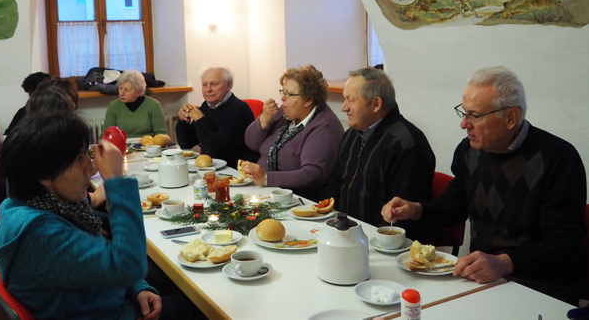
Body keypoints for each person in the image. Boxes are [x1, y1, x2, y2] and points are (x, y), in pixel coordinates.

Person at [382, 67, 587, 304]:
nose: (464, 124)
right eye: (463, 113)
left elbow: (564, 247)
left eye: (474, 115)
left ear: (511, 117)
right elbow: (454, 208)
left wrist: (504, 262)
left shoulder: (558, 159)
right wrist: (417, 209)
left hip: (541, 288)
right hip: (484, 280)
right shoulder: (468, 151)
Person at [0, 112, 204, 320]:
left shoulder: (39, 204)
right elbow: (129, 265)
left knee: (170, 283)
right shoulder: (37, 232)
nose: (91, 167)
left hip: (105, 300)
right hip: (109, 312)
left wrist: (138, 288)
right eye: (79, 158)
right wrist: (115, 181)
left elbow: (104, 262)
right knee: (201, 307)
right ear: (44, 175)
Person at [327, 68, 435, 242]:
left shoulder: (406, 144)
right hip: (347, 234)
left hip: (385, 243)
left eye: (351, 100)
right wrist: (337, 224)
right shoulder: (351, 135)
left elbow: (402, 215)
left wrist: (363, 238)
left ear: (376, 104)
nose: (343, 107)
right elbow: (336, 184)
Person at [241, 65, 344, 202]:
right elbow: (251, 143)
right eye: (283, 92)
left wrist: (267, 177)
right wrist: (263, 120)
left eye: (290, 94)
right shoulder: (284, 114)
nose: (283, 98)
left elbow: (311, 175)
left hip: (298, 202)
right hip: (265, 193)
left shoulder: (325, 128)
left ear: (308, 100)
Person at [0, 86, 77, 208]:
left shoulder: (26, 138)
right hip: (23, 213)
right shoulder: (35, 147)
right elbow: (54, 199)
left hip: (25, 209)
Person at [176, 67, 257, 167]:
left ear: (228, 85)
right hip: (214, 167)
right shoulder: (206, 106)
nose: (208, 89)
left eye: (214, 84)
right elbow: (186, 144)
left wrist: (200, 119)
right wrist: (183, 120)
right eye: (204, 85)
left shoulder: (238, 109)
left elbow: (216, 152)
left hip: (237, 171)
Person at [102, 70, 168, 138]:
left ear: (138, 92)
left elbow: (162, 134)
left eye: (127, 90)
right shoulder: (114, 106)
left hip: (147, 146)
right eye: (120, 88)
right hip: (123, 147)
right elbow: (105, 136)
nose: (122, 93)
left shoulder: (154, 105)